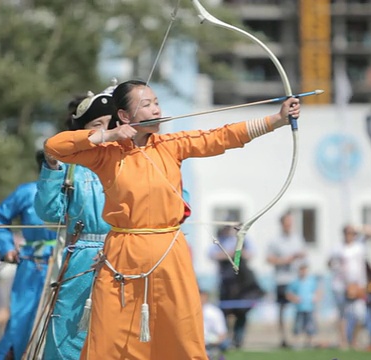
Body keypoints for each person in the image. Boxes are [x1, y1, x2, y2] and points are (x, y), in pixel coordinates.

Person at [43, 79, 300, 359]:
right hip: (122, 255)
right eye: (146, 104)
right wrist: (108, 136)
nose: (156, 109)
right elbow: (54, 147)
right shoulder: (107, 154)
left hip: (169, 256)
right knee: (110, 338)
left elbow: (222, 136)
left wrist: (277, 119)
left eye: (156, 102)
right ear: (125, 116)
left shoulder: (171, 145)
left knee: (180, 334)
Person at [33, 92, 114, 360]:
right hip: (83, 256)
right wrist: (52, 167)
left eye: (111, 123)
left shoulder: (132, 161)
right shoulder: (71, 167)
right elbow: (49, 212)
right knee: (71, 332)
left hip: (126, 252)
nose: (106, 131)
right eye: (97, 125)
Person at [0, 152, 57, 360]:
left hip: (66, 266)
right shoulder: (27, 192)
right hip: (34, 267)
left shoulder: (73, 191)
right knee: (22, 323)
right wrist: (6, 247)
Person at [209, 225, 264, 350]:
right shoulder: (219, 240)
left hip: (242, 284)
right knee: (224, 313)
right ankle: (225, 340)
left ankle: (238, 339)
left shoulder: (242, 239)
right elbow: (212, 254)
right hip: (226, 284)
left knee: (242, 311)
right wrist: (229, 254)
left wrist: (237, 254)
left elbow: (250, 253)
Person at [266, 211, 306, 348]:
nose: (289, 225)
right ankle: (284, 338)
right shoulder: (275, 241)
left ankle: (298, 337)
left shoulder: (297, 238)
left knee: (300, 307)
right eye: (287, 222)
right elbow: (268, 259)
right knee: (282, 310)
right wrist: (284, 260)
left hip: (296, 280)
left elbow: (304, 256)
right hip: (282, 280)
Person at [285, 262, 321, 349]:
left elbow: (318, 291)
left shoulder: (311, 281)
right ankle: (296, 342)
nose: (303, 272)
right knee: (298, 326)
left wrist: (316, 298)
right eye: (301, 270)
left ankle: (310, 342)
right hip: (299, 308)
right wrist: (294, 298)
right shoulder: (295, 282)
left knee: (310, 326)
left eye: (304, 270)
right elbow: (288, 294)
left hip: (309, 308)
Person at [200, 288, 227, 360]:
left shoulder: (214, 312)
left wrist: (213, 341)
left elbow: (222, 333)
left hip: (210, 343)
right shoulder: (189, 312)